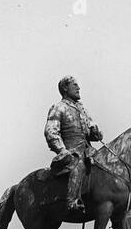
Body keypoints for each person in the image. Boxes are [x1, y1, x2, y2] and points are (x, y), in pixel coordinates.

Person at [44, 75, 103, 214]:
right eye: (75, 85)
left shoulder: (81, 109)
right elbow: (51, 132)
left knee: (106, 165)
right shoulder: (59, 108)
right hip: (72, 152)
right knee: (79, 166)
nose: (79, 88)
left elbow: (91, 132)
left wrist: (95, 133)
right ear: (65, 88)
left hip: (88, 151)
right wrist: (62, 150)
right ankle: (72, 202)